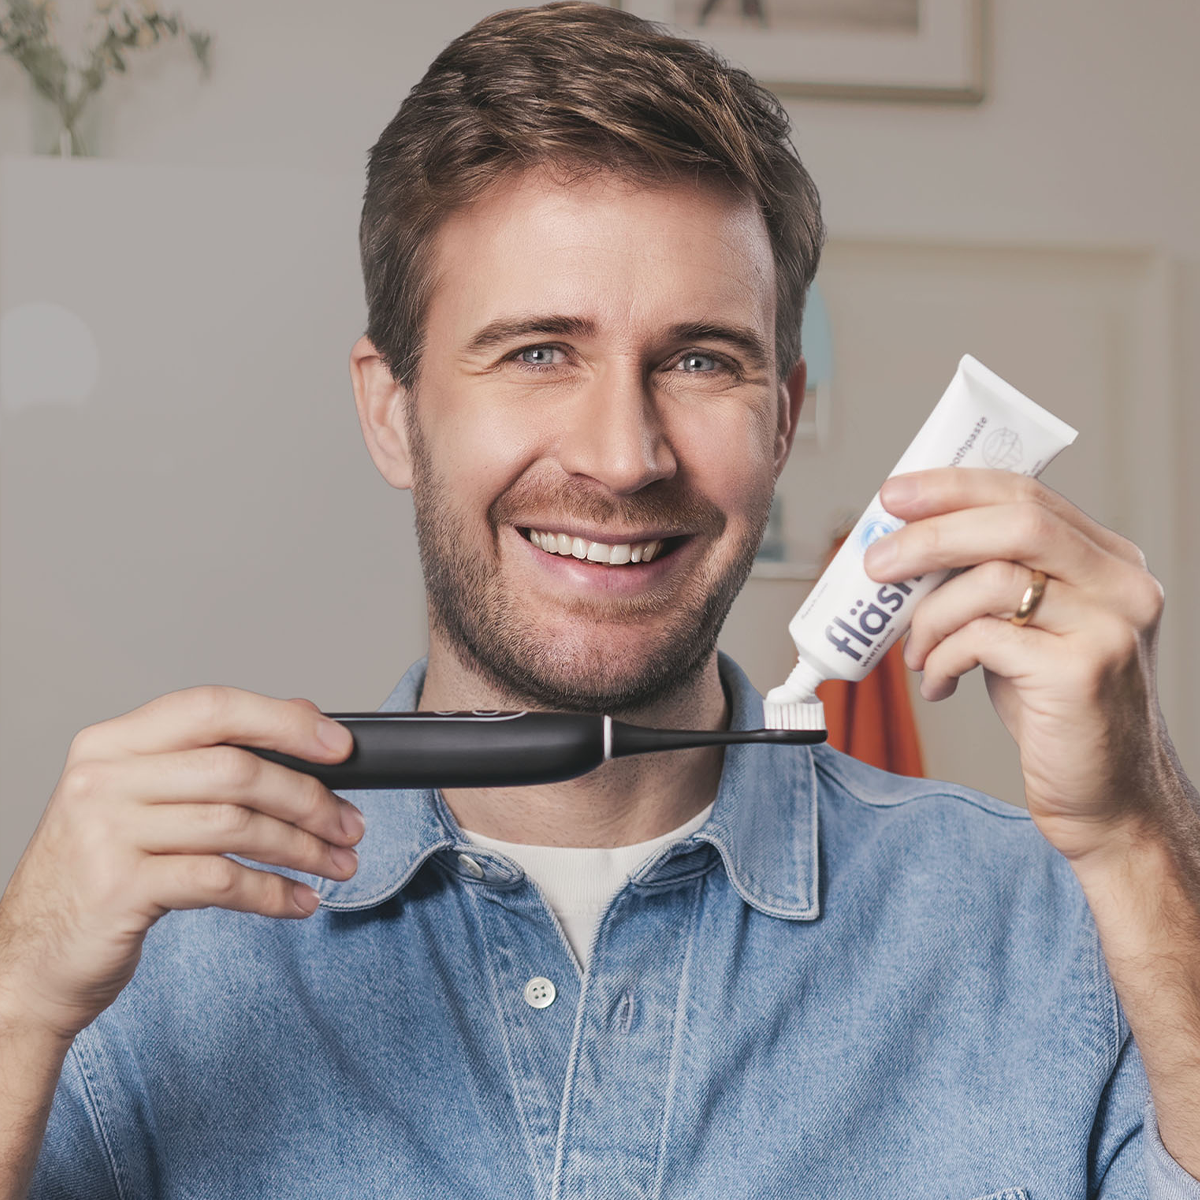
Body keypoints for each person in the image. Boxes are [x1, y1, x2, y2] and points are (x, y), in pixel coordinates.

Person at [2, 3, 1199, 1195]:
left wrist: (1139, 837)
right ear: (392, 409)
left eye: (697, 360)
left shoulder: (1061, 928)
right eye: (536, 352)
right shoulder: (152, 955)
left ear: (782, 419)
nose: (624, 457)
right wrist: (17, 1003)